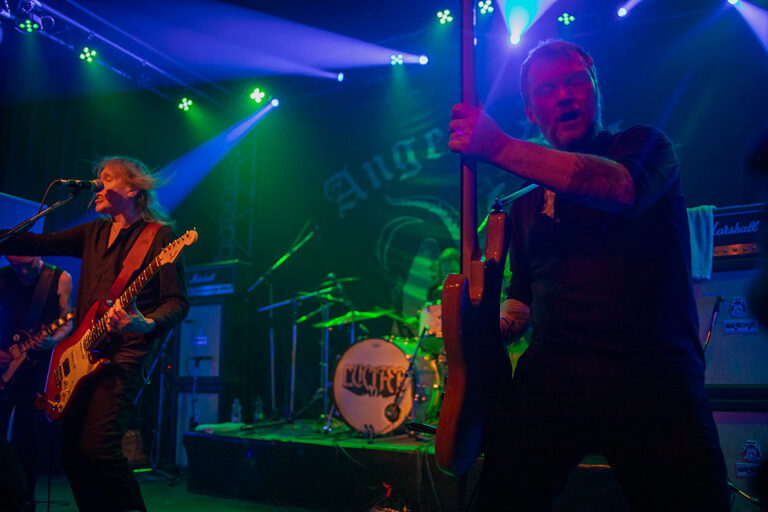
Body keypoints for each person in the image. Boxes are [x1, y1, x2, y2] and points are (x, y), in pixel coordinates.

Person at [448, 40, 730, 511]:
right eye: (547, 90)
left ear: (597, 90)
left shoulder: (644, 147)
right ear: (531, 112)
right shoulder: (524, 202)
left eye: (576, 81)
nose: (564, 96)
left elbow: (621, 189)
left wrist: (497, 146)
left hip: (652, 375)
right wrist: (490, 327)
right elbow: (522, 297)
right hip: (553, 375)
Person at [0, 156, 190, 512]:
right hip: (82, 352)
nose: (97, 185)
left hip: (124, 355)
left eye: (106, 178)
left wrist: (145, 323)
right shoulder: (93, 232)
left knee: (98, 448)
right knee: (71, 452)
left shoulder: (159, 236)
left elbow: (177, 302)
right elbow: (38, 243)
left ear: (131, 189)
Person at [0, 255, 73, 511]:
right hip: (4, 362)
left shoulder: (59, 278)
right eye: (16, 266)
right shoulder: (3, 278)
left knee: (27, 433)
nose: (22, 271)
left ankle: (25, 499)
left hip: (37, 367)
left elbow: (68, 319)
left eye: (27, 265)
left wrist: (54, 340)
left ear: (37, 255)